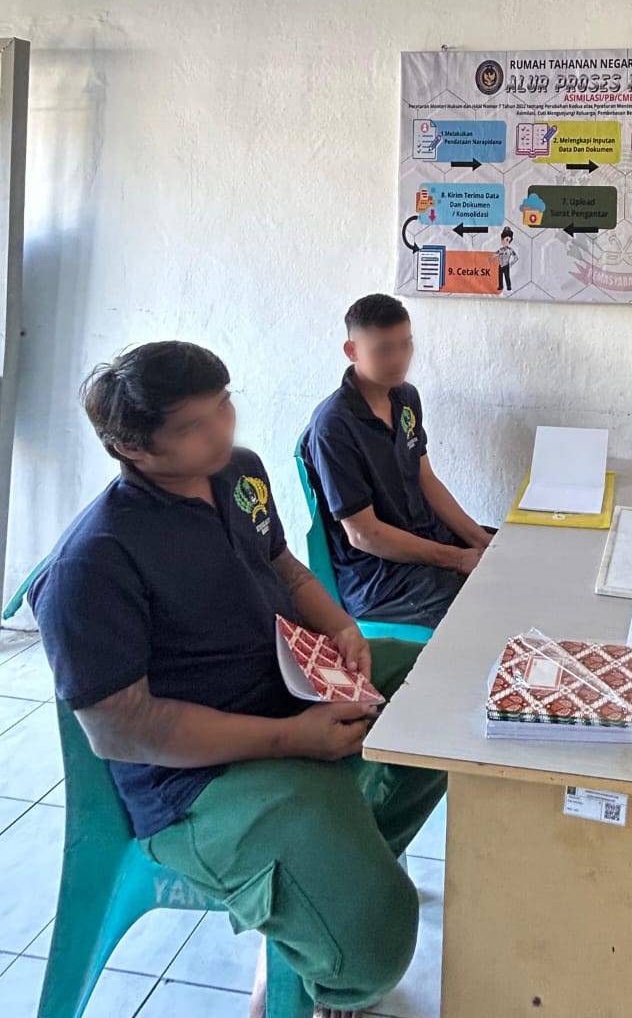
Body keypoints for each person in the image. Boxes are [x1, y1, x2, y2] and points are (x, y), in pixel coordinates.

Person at [30, 342, 445, 1018]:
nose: (222, 429)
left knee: (440, 694)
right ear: (131, 448)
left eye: (224, 405)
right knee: (376, 945)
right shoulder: (95, 561)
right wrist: (291, 739)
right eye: (195, 426)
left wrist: (340, 627)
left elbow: (283, 567)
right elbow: (125, 729)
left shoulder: (238, 472)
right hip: (196, 778)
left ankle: (329, 891)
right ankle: (336, 976)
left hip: (284, 689)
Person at [302, 294, 493, 630]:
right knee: (487, 610)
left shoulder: (406, 397)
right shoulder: (333, 426)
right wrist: (457, 558)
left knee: (516, 559)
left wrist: (481, 541)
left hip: (428, 539)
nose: (399, 359)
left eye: (406, 344)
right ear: (352, 351)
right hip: (380, 577)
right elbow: (365, 535)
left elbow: (426, 480)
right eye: (384, 349)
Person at [496, 228, 516, 293]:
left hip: (506, 265)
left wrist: (511, 264)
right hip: (500, 264)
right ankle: (501, 286)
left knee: (507, 276)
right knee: (500, 276)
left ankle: (509, 287)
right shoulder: (501, 249)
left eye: (507, 240)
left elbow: (516, 257)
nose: (504, 241)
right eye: (503, 239)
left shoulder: (510, 250)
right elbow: (496, 254)